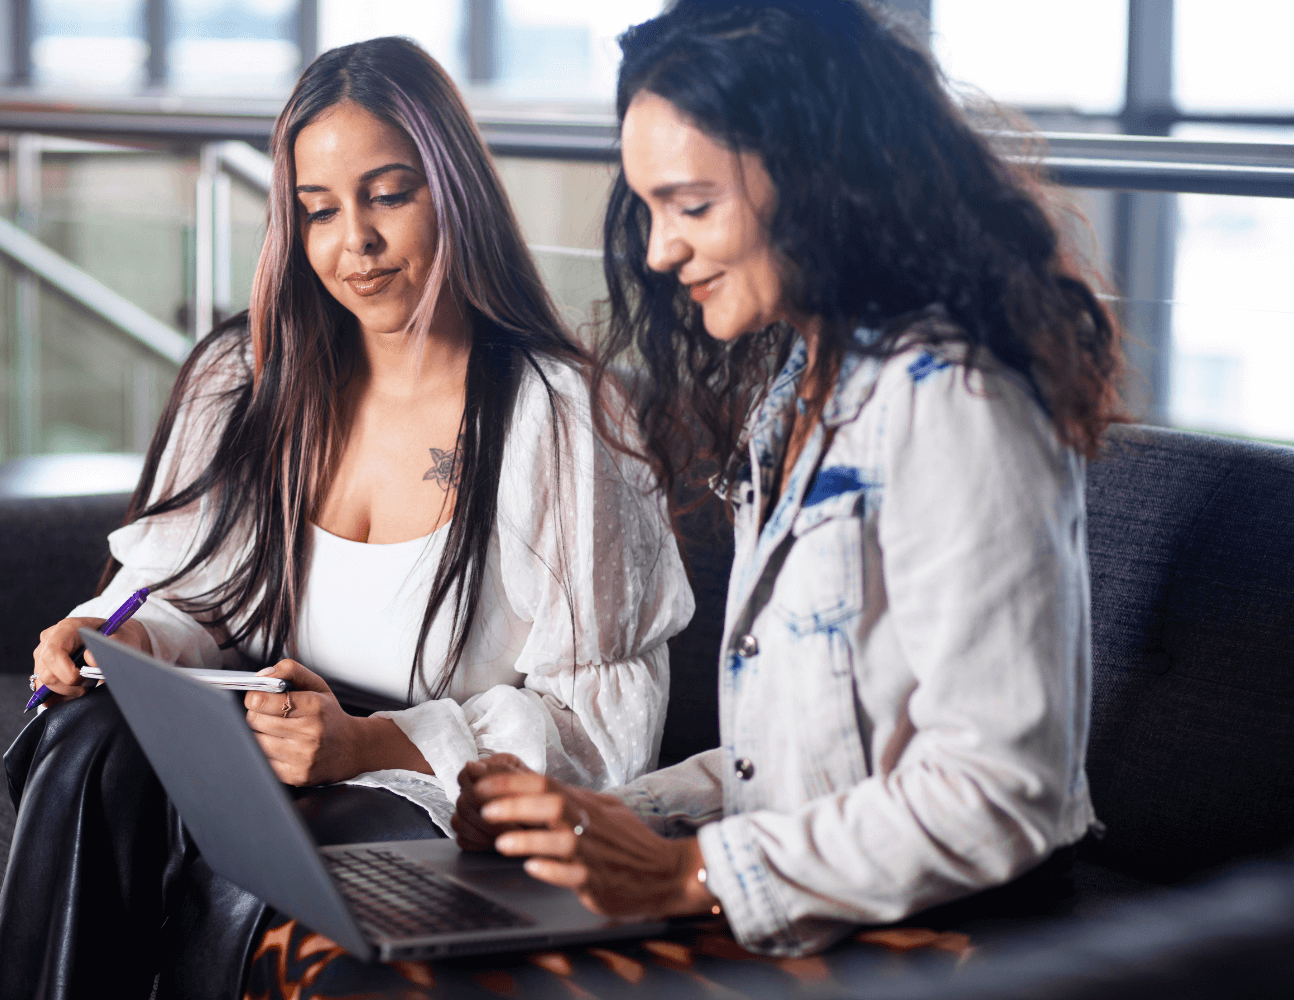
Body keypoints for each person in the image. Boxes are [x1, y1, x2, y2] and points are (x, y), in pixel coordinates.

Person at [0, 37, 691, 999]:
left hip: (427, 793)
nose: (352, 242)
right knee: (84, 742)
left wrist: (365, 744)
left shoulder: (557, 416)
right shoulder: (251, 378)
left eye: (388, 194)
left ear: (456, 191)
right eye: (318, 210)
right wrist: (118, 635)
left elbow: (605, 736)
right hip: (263, 745)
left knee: (258, 853)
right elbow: (196, 594)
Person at [460, 0, 1123, 957]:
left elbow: (998, 791)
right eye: (649, 208)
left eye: (693, 205)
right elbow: (806, 764)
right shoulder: (804, 391)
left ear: (820, 179)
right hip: (823, 922)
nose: (657, 250)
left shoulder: (955, 401)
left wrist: (691, 876)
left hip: (947, 950)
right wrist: (593, 821)